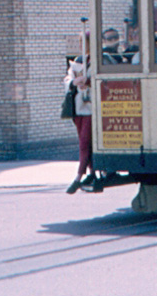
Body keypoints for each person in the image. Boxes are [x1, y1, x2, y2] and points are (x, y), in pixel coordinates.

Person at [65, 37, 98, 194]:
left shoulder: (100, 59)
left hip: (92, 107)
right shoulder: (79, 60)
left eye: (84, 43)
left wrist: (89, 81)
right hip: (78, 107)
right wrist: (74, 82)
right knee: (84, 142)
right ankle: (92, 173)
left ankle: (78, 177)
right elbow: (68, 79)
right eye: (80, 43)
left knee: (84, 142)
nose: (81, 46)